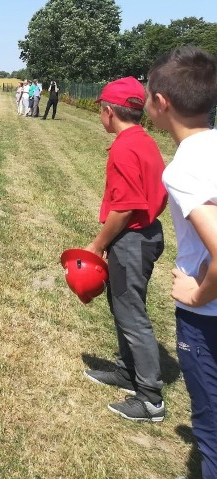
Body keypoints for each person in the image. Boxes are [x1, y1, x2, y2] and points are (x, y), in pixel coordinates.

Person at [145, 46, 217, 476]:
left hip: (208, 317)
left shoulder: (184, 167)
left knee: (211, 433)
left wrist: (198, 292)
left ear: (161, 102)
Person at [82, 76, 168, 423]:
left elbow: (126, 207)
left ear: (107, 112)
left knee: (132, 314)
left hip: (133, 238)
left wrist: (98, 245)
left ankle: (150, 399)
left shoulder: (123, 147)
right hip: (145, 234)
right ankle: (126, 371)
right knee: (122, 305)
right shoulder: (142, 139)